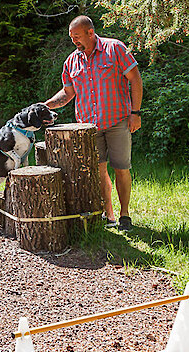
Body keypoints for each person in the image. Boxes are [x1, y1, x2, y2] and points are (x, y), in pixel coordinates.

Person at [44, 15, 143, 231]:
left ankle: (125, 215)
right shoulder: (71, 61)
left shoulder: (115, 48)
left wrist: (135, 112)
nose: (74, 42)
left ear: (90, 32)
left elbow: (135, 78)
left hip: (118, 121)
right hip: (88, 128)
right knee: (98, 171)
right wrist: (46, 105)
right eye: (71, 38)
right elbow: (68, 93)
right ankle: (109, 216)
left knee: (121, 168)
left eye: (77, 37)